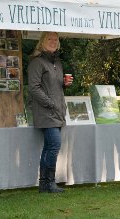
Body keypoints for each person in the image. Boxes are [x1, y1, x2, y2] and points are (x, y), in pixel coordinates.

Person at [28, 31, 73, 193]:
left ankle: (45, 184)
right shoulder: (37, 62)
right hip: (46, 111)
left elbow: (54, 86)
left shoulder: (57, 62)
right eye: (49, 39)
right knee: (53, 145)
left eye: (56, 39)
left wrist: (65, 84)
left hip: (57, 111)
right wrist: (49, 103)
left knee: (50, 147)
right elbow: (34, 87)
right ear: (42, 42)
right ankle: (49, 182)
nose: (53, 41)